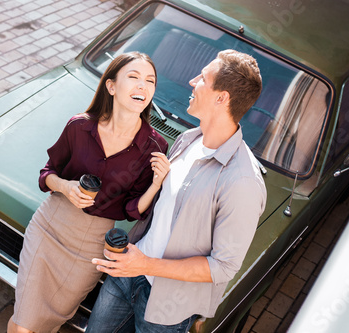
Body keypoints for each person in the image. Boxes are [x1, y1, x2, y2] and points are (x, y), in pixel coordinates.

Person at [86, 49, 267, 332]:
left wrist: (146, 265)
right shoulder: (188, 139)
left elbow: (223, 266)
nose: (193, 82)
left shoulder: (243, 181)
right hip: (127, 272)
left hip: (167, 305)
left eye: (203, 78)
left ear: (222, 98)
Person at [7, 52, 169, 333]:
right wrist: (65, 186)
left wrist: (156, 184)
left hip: (92, 246)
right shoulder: (79, 126)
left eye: (149, 81)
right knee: (24, 322)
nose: (142, 86)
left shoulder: (154, 147)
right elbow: (47, 174)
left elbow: (133, 210)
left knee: (46, 323)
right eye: (133, 77)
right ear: (111, 86)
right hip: (50, 227)